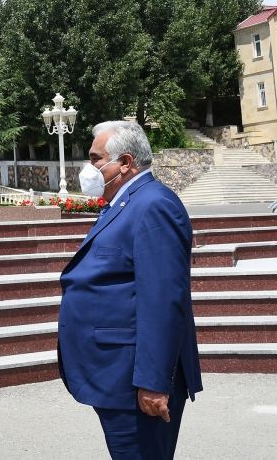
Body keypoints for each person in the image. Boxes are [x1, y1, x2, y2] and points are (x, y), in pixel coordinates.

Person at [57, 121, 202, 459]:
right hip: (116, 374)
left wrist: (154, 382)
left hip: (134, 381)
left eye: (96, 159)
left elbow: (163, 302)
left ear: (124, 162)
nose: (89, 168)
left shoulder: (154, 205)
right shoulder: (127, 202)